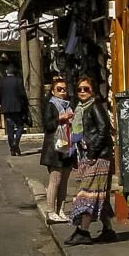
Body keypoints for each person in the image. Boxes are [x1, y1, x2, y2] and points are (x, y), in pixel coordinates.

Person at [66, 75, 117, 245]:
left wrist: (93, 153)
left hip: (98, 156)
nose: (82, 92)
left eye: (86, 89)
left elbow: (103, 130)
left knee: (87, 193)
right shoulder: (81, 109)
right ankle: (108, 230)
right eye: (79, 89)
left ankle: (83, 231)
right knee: (98, 193)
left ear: (92, 90)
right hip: (89, 155)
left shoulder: (95, 107)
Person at [40, 77, 75, 222]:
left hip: (67, 146)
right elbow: (47, 126)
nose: (62, 92)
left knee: (65, 180)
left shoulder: (68, 105)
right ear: (53, 91)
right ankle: (50, 211)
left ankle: (60, 210)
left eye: (64, 89)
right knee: (55, 179)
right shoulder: (51, 105)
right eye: (59, 89)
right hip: (54, 148)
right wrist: (60, 119)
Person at [0, 64, 31, 156]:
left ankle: (12, 147)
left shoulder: (1, 81)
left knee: (10, 128)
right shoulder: (18, 81)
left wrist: (3, 103)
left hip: (6, 108)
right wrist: (25, 104)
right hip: (17, 108)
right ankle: (16, 142)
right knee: (20, 126)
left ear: (7, 72)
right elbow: (23, 95)